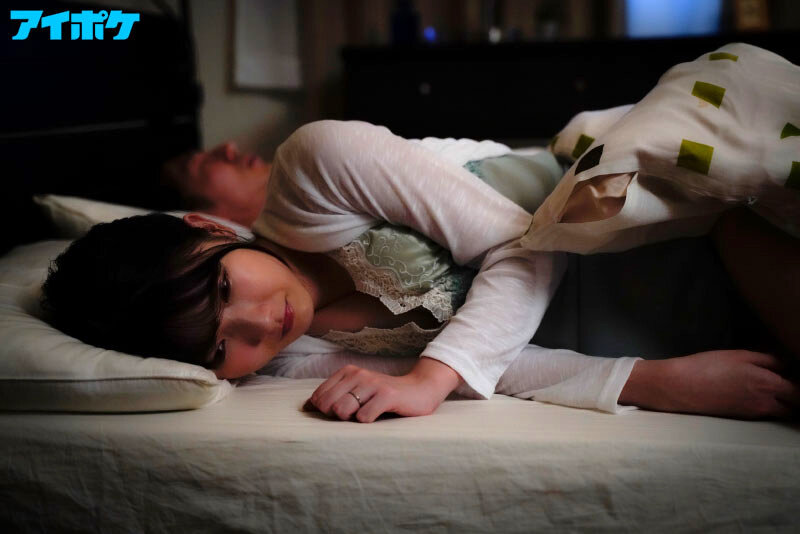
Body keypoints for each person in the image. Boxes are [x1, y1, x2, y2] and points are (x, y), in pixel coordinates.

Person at [43, 121, 799, 422]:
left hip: (650, 232)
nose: (262, 324)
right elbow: (497, 367)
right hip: (629, 327)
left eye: (223, 287)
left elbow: (527, 244)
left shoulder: (315, 167)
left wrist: (427, 380)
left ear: (209, 228)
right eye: (219, 347)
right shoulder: (287, 362)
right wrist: (656, 382)